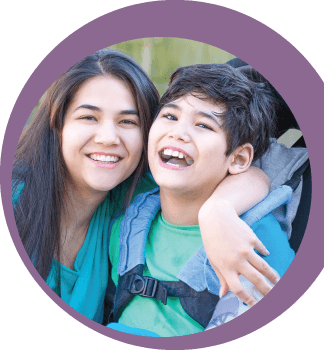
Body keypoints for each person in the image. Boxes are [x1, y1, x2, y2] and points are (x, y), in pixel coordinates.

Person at [11, 50, 277, 325]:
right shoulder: (15, 199)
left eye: (128, 121)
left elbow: (254, 175)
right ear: (58, 123)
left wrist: (218, 210)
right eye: (89, 117)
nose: (108, 138)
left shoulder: (135, 195)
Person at [108, 63, 295, 336]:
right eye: (170, 116)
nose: (178, 133)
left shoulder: (257, 238)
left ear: (239, 159)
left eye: (203, 125)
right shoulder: (126, 223)